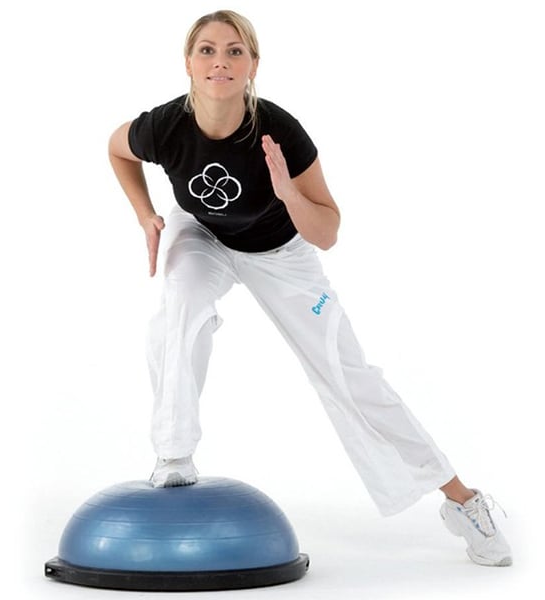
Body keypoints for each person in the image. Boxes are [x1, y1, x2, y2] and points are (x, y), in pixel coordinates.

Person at [108, 10, 511, 567]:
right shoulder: (164, 126)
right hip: (202, 234)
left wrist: (288, 194)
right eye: (207, 50)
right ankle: (173, 455)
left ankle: (463, 502)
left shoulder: (280, 132)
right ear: (188, 63)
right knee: (181, 305)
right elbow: (117, 149)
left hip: (280, 252)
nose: (220, 62)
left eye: (234, 51)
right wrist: (145, 215)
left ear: (253, 65)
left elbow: (328, 232)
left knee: (348, 373)